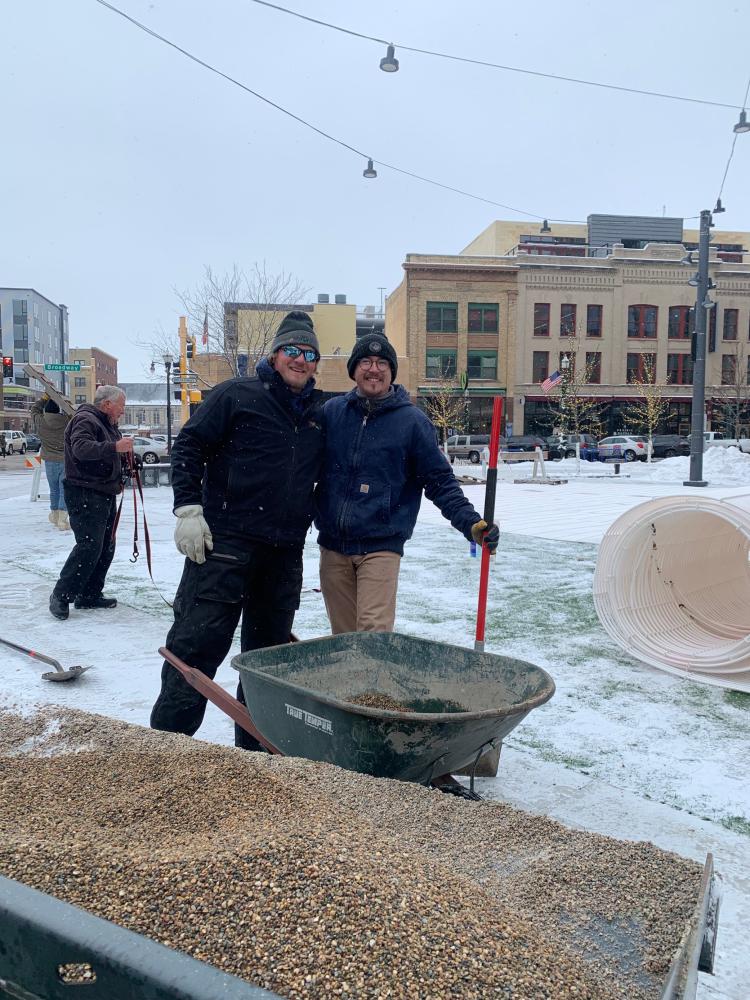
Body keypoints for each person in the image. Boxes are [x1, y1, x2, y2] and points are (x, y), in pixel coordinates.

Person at [150, 310, 325, 750]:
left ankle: (254, 759)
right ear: (275, 354)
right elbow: (189, 444)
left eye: (309, 354)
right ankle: (168, 750)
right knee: (196, 647)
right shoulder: (237, 394)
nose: (300, 360)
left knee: (265, 663)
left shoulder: (319, 415)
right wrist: (188, 508)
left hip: (283, 555)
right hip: (225, 547)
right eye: (292, 350)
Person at [315, 333, 499, 634]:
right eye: (365, 361)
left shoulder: (412, 422)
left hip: (381, 547)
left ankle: (372, 683)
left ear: (391, 372)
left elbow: (439, 481)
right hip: (333, 548)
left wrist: (471, 523)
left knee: (373, 635)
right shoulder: (332, 413)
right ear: (353, 370)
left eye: (381, 363)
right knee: (343, 639)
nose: (373, 369)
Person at [49, 385, 133, 620]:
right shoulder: (85, 419)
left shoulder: (107, 424)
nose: (122, 412)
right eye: (121, 406)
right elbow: (81, 449)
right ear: (107, 404)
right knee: (89, 545)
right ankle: (61, 595)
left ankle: (89, 593)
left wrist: (128, 460)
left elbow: (108, 453)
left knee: (106, 545)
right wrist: (115, 447)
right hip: (85, 492)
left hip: (104, 490)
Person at [31, 396, 73, 530]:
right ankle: (62, 518)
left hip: (49, 460)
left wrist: (43, 398)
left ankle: (54, 515)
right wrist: (66, 403)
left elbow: (34, 410)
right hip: (65, 460)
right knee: (63, 490)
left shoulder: (40, 421)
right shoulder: (66, 421)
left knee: (53, 489)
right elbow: (73, 413)